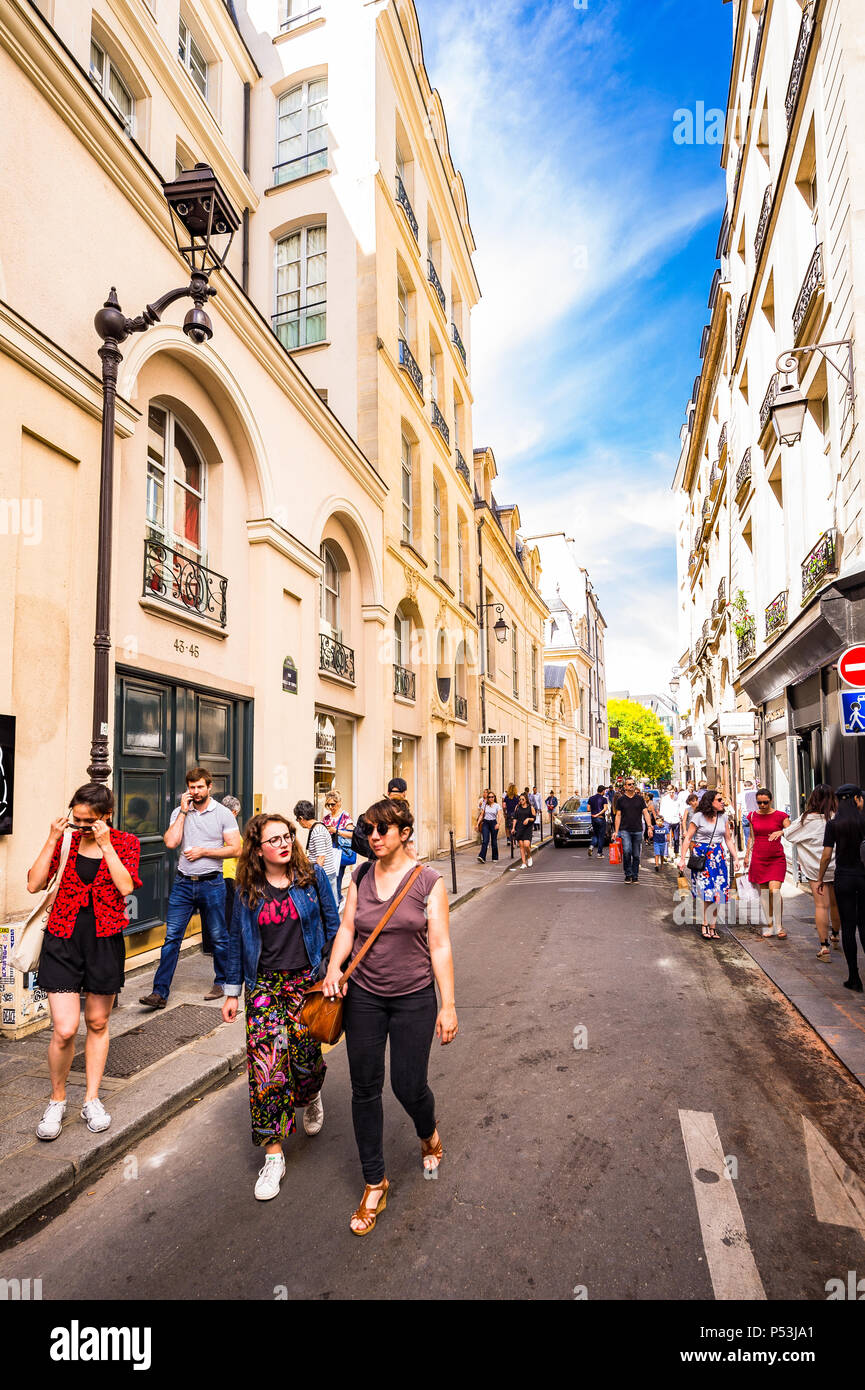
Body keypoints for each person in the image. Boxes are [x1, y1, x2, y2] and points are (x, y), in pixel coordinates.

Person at [322, 798, 457, 1234]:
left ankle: (427, 1130)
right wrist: (333, 968)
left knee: (408, 1085)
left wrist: (448, 1004)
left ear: (404, 834)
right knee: (364, 1089)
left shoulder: (428, 881)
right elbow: (347, 928)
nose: (374, 837)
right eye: (369, 830)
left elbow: (439, 946)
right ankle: (374, 1181)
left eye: (383, 829)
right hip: (364, 997)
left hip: (414, 998)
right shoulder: (358, 876)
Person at [222, 813, 340, 1199]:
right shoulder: (246, 889)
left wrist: (332, 971)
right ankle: (273, 1156)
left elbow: (333, 925)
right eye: (274, 840)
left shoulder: (312, 878)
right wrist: (231, 990)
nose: (285, 843)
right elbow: (236, 941)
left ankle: (310, 1093)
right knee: (266, 1067)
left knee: (305, 1062)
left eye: (287, 835)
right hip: (264, 986)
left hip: (307, 983)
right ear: (258, 849)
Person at [28, 783, 141, 1140]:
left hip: (104, 941)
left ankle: (91, 1098)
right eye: (76, 819)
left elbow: (126, 888)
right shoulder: (65, 840)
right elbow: (33, 884)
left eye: (88, 821)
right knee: (64, 1028)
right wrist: (52, 838)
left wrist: (105, 844)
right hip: (62, 938)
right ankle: (57, 1099)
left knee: (96, 1021)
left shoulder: (125, 843)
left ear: (107, 816)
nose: (81, 826)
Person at [140, 768, 241, 1009]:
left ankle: (223, 983)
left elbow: (236, 849)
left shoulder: (224, 814)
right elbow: (171, 842)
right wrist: (184, 813)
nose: (195, 792)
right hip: (184, 883)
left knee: (219, 937)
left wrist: (204, 851)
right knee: (172, 938)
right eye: (191, 787)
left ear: (209, 787)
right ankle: (159, 992)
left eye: (199, 787)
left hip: (212, 883)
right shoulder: (179, 811)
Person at [817, 785, 865, 991]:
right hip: (863, 876)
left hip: (843, 877)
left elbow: (827, 855)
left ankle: (854, 977)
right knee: (864, 925)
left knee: (848, 926)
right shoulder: (864, 821)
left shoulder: (834, 825)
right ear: (856, 799)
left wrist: (820, 878)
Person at [784, 785, 840, 960]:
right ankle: (836, 936)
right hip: (837, 866)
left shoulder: (806, 819)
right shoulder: (836, 817)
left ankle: (824, 947)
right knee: (835, 905)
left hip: (816, 870)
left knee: (821, 906)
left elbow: (788, 834)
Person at [679, 789, 741, 939]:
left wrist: (736, 857)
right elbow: (688, 838)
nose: (722, 802)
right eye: (719, 800)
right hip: (702, 856)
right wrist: (682, 858)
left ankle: (713, 926)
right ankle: (705, 924)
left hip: (718, 857)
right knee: (706, 893)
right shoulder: (698, 817)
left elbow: (728, 839)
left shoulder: (723, 817)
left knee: (718, 893)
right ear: (710, 802)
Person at [743, 787, 790, 938]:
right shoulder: (752, 816)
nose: (762, 805)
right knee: (764, 894)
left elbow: (793, 831)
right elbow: (752, 836)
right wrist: (746, 855)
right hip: (758, 857)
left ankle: (779, 926)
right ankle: (769, 925)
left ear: (771, 800)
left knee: (774, 891)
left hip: (776, 858)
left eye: (765, 802)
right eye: (759, 803)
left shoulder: (781, 816)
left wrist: (782, 831)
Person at [294, 800, 339, 907]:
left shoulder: (317, 831)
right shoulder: (319, 826)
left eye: (297, 819)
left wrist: (314, 877)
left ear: (301, 818)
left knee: (328, 907)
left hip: (325, 875)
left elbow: (321, 858)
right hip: (327, 874)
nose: (299, 822)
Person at [613, 777, 654, 884]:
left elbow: (645, 813)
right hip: (625, 830)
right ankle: (628, 874)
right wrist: (616, 831)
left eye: (633, 784)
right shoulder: (621, 800)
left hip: (638, 830)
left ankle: (635, 876)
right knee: (626, 852)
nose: (631, 786)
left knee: (636, 854)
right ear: (625, 787)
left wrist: (649, 826)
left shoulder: (640, 799)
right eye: (629, 784)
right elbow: (618, 815)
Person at [323, 790, 356, 901]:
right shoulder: (326, 818)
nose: (331, 807)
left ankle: (336, 901)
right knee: (328, 878)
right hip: (328, 852)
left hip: (339, 852)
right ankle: (337, 898)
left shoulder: (345, 817)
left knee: (336, 878)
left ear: (339, 802)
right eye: (328, 804)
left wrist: (336, 830)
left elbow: (352, 834)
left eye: (333, 804)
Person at [476, 791, 505, 863]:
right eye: (489, 797)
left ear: (494, 797)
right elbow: (482, 815)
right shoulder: (485, 805)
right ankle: (482, 856)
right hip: (485, 823)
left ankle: (495, 857)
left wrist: (498, 824)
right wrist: (477, 824)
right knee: (485, 840)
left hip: (493, 823)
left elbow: (500, 815)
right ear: (487, 798)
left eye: (492, 797)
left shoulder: (497, 805)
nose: (491, 798)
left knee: (494, 841)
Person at [512, 793, 536, 869]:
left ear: (526, 800)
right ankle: (523, 863)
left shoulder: (530, 807)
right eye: (520, 799)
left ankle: (529, 856)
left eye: (523, 799)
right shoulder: (517, 807)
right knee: (521, 846)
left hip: (528, 828)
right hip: (519, 828)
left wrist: (528, 819)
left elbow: (533, 818)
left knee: (526, 845)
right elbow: (515, 818)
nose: (521, 801)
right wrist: (513, 828)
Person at [587, 785, 608, 860]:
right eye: (604, 791)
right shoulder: (604, 799)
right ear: (602, 791)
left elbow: (588, 809)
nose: (605, 792)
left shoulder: (591, 798)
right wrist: (598, 814)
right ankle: (599, 853)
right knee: (601, 836)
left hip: (593, 819)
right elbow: (605, 808)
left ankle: (591, 846)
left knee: (595, 834)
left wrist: (594, 813)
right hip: (600, 818)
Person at [737, 779, 758, 852]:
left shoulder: (740, 795)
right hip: (756, 815)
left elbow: (739, 808)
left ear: (744, 786)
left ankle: (749, 852)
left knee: (747, 835)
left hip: (746, 816)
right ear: (752, 786)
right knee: (757, 834)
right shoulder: (757, 793)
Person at [660, 786, 681, 856]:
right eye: (670, 792)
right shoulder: (664, 799)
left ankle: (676, 852)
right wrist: (662, 818)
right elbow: (661, 810)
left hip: (676, 820)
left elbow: (680, 808)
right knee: (666, 838)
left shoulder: (678, 798)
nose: (672, 794)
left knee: (676, 838)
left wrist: (680, 815)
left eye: (673, 792)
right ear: (668, 792)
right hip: (667, 820)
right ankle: (665, 854)